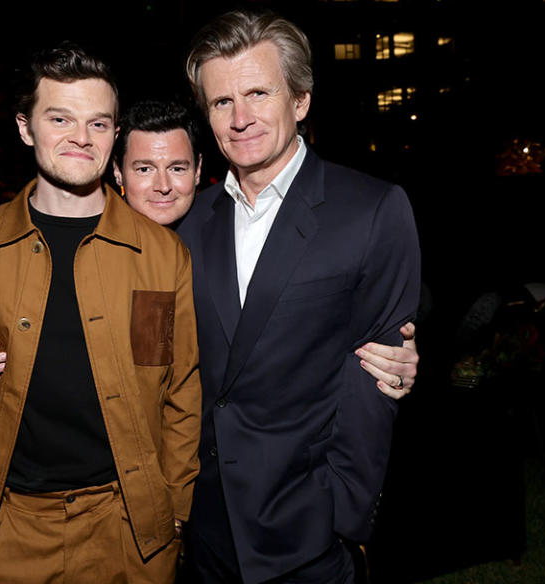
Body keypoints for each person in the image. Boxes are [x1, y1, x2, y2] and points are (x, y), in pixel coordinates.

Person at [0, 44, 200, 583]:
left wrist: (172, 509)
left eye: (98, 123)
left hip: (128, 528)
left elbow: (173, 389)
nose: (81, 137)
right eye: (61, 118)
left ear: (115, 135)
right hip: (2, 527)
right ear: (26, 128)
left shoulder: (159, 255)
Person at [0, 101, 419, 398]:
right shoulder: (74, 246)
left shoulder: (230, 225)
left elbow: (332, 293)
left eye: (178, 168)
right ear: (116, 174)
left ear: (200, 167)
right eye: (143, 169)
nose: (163, 186)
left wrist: (397, 351)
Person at [176, 11, 421, 583]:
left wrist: (341, 516)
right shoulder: (190, 221)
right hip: (203, 527)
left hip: (307, 531)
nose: (240, 119)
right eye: (220, 102)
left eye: (258, 93)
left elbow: (375, 379)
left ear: (301, 101)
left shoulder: (372, 210)